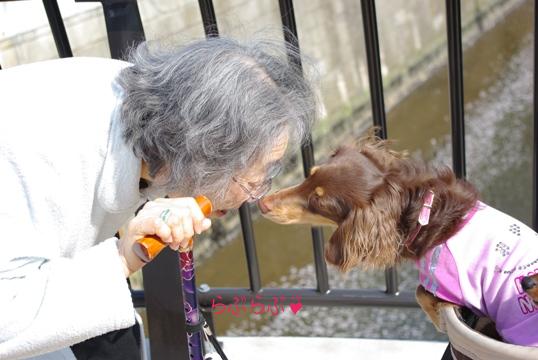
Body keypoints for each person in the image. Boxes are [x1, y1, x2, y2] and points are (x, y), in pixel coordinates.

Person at [0, 36, 316, 359]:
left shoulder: (147, 108)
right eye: (252, 182)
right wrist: (122, 257)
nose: (253, 199)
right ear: (207, 152)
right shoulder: (49, 152)